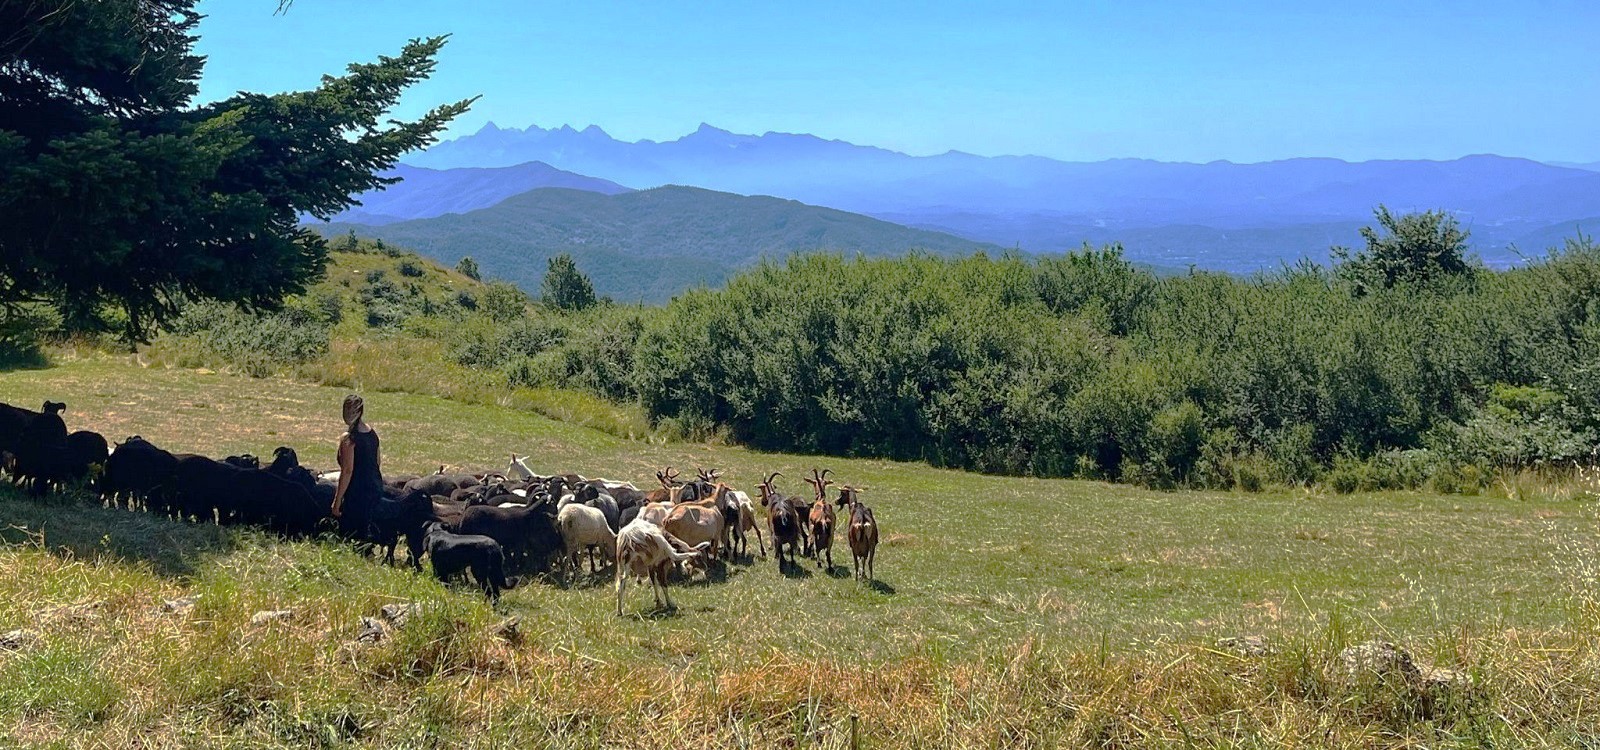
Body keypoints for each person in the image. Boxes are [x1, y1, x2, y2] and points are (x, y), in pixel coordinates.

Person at [331, 394, 385, 522]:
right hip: (375, 489)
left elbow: (347, 470)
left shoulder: (348, 439)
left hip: (357, 492)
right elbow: (377, 462)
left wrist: (337, 501)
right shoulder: (372, 434)